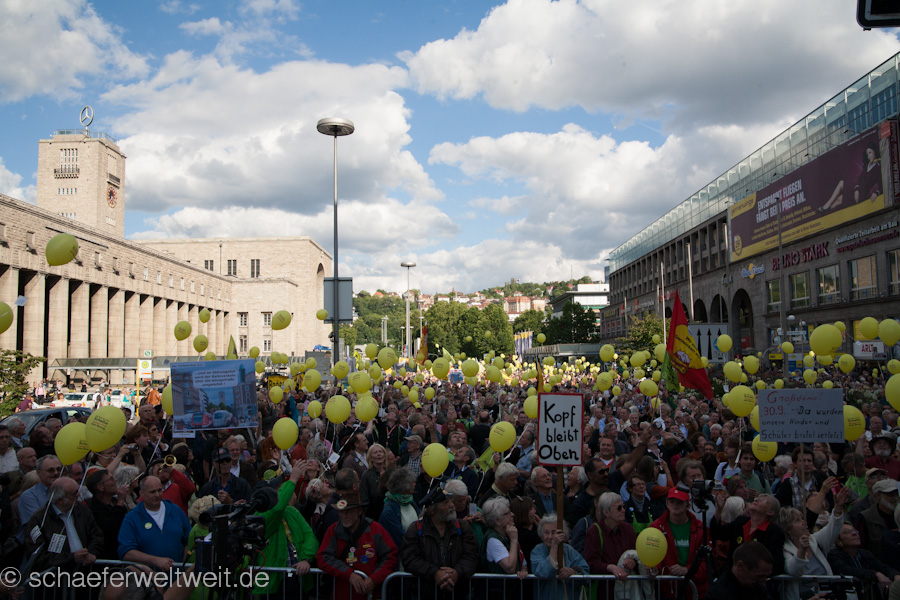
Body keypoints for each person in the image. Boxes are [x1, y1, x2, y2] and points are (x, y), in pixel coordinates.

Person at [400, 485, 479, 599]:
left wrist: (456, 573)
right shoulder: (416, 529)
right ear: (432, 510)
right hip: (426, 593)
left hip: (457, 593)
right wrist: (434, 573)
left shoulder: (462, 527)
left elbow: (472, 556)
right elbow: (410, 559)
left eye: (451, 501)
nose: (452, 505)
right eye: (446, 503)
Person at [254, 459, 319, 595]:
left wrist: (306, 559)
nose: (282, 490)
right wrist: (293, 480)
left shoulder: (292, 511)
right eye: (277, 488)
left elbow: (309, 536)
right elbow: (277, 507)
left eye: (281, 487)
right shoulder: (261, 515)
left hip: (298, 580)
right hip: (273, 585)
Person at [316, 491, 398, 600]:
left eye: (349, 512)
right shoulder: (333, 531)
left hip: (371, 594)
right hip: (341, 594)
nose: (344, 516)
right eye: (341, 512)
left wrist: (374, 579)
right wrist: (349, 574)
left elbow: (391, 557)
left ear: (359, 511)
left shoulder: (376, 530)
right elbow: (323, 558)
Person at [778, 484, 849, 600]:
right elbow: (793, 571)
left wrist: (838, 507)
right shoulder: (785, 548)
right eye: (797, 520)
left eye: (802, 518)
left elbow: (833, 528)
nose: (804, 522)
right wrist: (802, 551)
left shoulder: (814, 540)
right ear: (788, 529)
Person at [23, 476, 103, 574]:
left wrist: (92, 552)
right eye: (74, 494)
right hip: (56, 576)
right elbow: (37, 555)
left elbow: (96, 535)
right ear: (60, 500)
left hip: (85, 571)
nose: (78, 495)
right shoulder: (39, 519)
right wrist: (71, 558)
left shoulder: (82, 509)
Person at [649, 486, 709, 599]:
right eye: (672, 501)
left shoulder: (701, 529)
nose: (675, 505)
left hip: (695, 591)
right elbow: (652, 554)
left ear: (688, 505)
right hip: (667, 590)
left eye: (680, 502)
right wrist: (655, 568)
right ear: (667, 503)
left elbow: (707, 561)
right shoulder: (656, 528)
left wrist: (687, 570)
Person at [118, 475, 191, 568]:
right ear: (141, 493)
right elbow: (126, 552)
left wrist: (184, 566)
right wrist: (155, 561)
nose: (157, 495)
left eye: (159, 490)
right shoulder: (132, 518)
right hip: (147, 575)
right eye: (152, 492)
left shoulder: (175, 510)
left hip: (177, 574)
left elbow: (189, 540)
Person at [713, 492, 786, 575]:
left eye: (763, 500)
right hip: (732, 576)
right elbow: (717, 533)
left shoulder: (774, 532)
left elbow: (777, 565)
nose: (756, 500)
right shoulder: (740, 522)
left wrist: (755, 575)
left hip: (755, 579)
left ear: (770, 512)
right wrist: (719, 509)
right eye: (757, 498)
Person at [584, 492, 637, 599]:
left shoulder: (628, 529)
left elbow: (636, 553)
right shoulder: (594, 531)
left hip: (627, 591)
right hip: (604, 592)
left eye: (623, 506)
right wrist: (610, 567)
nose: (623, 510)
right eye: (618, 508)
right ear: (606, 512)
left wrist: (633, 562)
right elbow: (591, 563)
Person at [829, 522, 900, 598]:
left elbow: (882, 567)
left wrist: (895, 575)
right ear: (838, 542)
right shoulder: (834, 555)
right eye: (847, 532)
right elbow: (846, 570)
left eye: (855, 530)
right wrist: (875, 574)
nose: (854, 533)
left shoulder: (864, 553)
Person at [530, 514, 590, 600]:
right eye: (546, 532)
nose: (550, 537)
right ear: (542, 535)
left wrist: (573, 572)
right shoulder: (538, 551)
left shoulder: (568, 550)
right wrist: (554, 546)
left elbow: (585, 571)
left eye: (554, 532)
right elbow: (542, 573)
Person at [479, 497, 528, 597]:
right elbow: (509, 568)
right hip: (497, 593)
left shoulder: (507, 535)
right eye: (508, 513)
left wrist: (523, 572)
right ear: (497, 521)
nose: (512, 515)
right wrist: (514, 540)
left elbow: (523, 564)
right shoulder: (493, 540)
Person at [706, 541, 777, 600]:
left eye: (766, 577)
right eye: (759, 576)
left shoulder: (758, 591)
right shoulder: (717, 594)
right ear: (740, 566)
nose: (764, 583)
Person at [84, 469, 129, 560]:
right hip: (106, 556)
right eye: (111, 479)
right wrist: (120, 502)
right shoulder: (90, 508)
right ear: (100, 487)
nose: (115, 481)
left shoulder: (115, 502)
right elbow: (110, 528)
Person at [16, 454, 61, 542]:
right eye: (50, 470)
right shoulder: (29, 496)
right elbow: (36, 525)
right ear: (39, 473)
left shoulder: (67, 492)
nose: (56, 473)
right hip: (40, 544)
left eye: (58, 469)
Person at [856, 477, 899, 560]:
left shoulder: (898, 514)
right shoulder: (866, 517)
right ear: (878, 496)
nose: (895, 498)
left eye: (897, 494)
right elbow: (861, 547)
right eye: (890, 495)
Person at [379, 467, 419, 551]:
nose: (415, 484)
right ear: (404, 485)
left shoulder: (410, 501)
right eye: (412, 482)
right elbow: (398, 539)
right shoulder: (389, 511)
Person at [360, 443, 390, 520]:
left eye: (380, 452)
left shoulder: (391, 472)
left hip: (390, 512)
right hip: (374, 515)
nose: (378, 454)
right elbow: (364, 498)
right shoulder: (366, 475)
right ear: (371, 458)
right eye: (375, 452)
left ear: (384, 456)